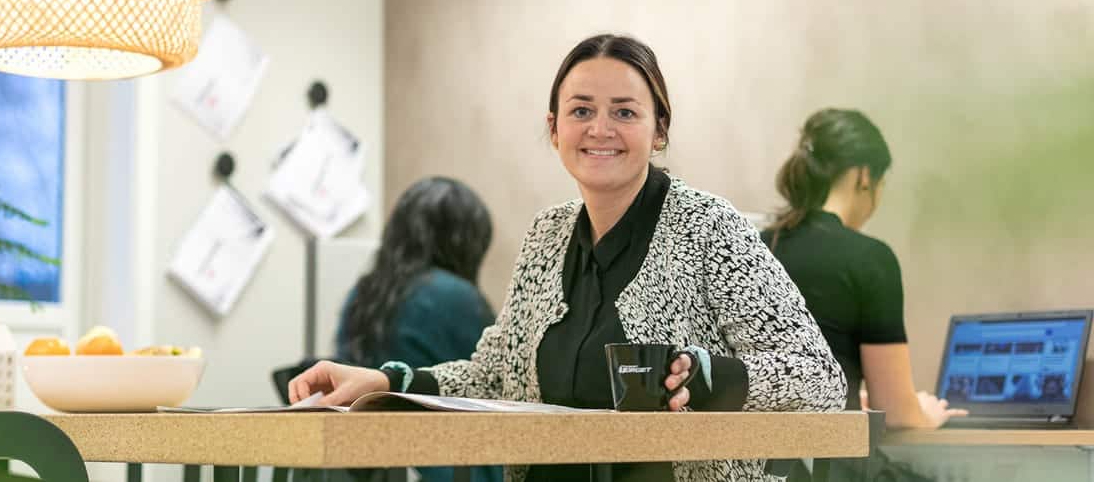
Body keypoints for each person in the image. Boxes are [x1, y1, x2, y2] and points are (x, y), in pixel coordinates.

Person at [291, 34, 846, 482]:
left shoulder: (710, 227)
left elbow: (820, 381)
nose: (600, 129)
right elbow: (493, 377)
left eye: (625, 112)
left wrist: (704, 375)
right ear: (554, 129)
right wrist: (386, 383)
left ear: (659, 131)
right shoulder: (545, 235)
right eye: (581, 110)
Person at [762, 108, 968, 429]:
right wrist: (926, 414)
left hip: (756, 457)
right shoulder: (870, 259)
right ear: (865, 177)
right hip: (830, 461)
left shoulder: (762, 244)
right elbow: (897, 414)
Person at [335, 176, 501, 482]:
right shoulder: (456, 297)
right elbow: (500, 382)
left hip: (365, 464)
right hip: (447, 464)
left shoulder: (361, 293)